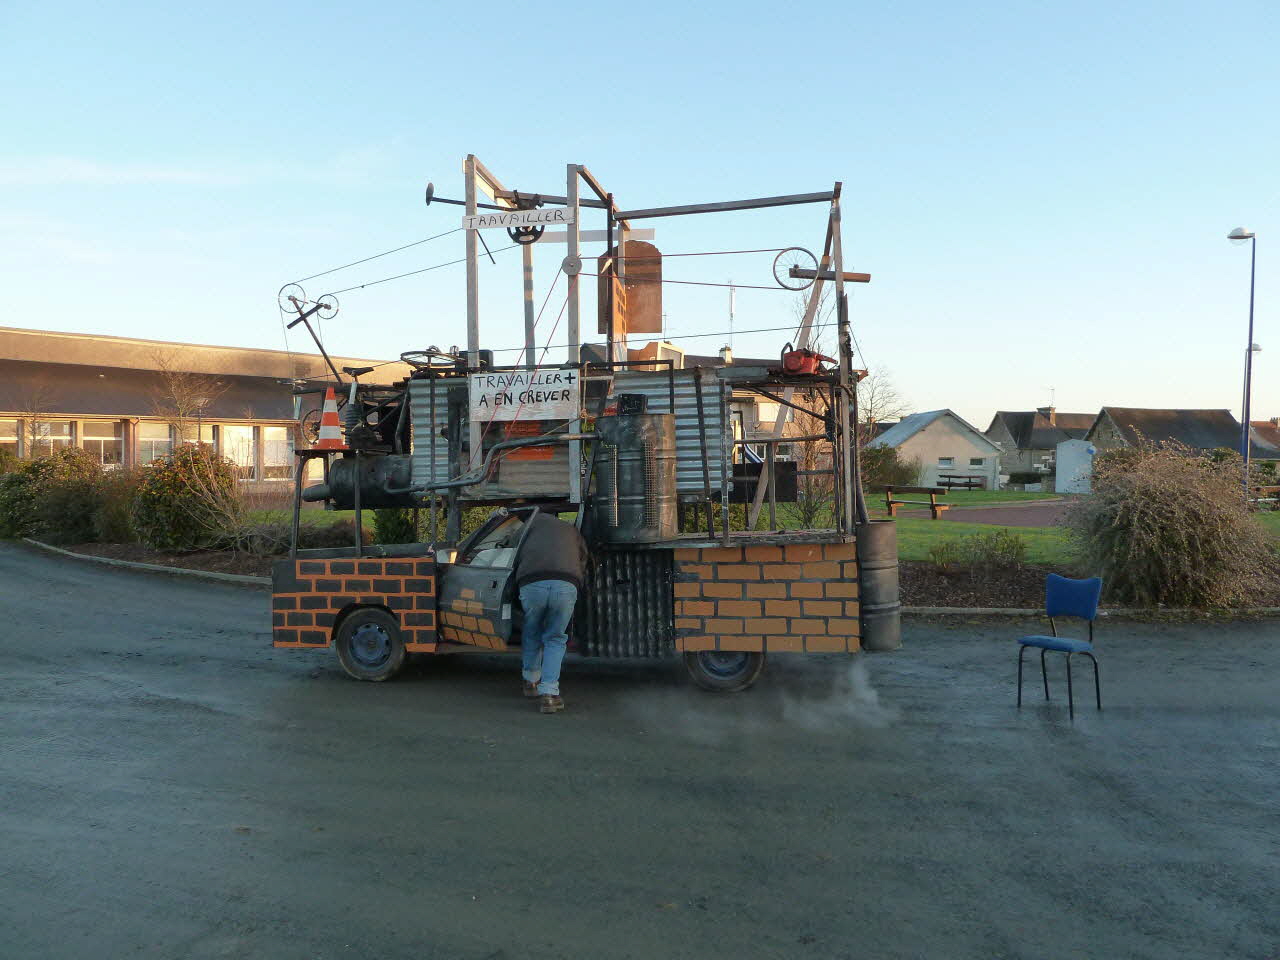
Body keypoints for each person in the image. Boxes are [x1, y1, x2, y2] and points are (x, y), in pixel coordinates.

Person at [514, 512, 589, 714]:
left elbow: (511, 552)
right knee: (555, 638)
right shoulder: (570, 530)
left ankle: (530, 682)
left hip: (532, 584)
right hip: (565, 584)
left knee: (532, 631)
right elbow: (583, 558)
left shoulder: (527, 527)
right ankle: (549, 694)